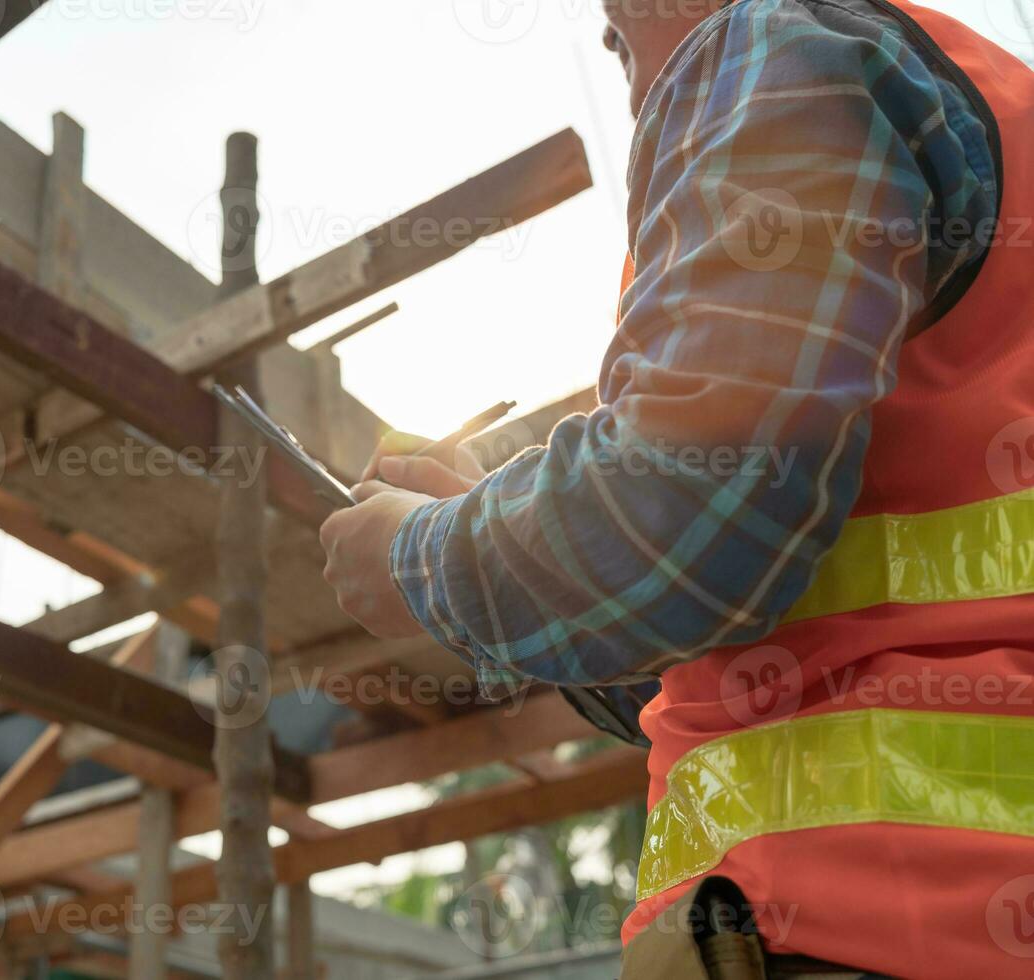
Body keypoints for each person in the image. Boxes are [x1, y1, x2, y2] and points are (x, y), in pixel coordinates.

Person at [318, 1, 1034, 977]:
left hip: (864, 922)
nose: (638, 81)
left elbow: (683, 528)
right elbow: (726, 616)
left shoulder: (773, 49)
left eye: (620, 35)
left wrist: (422, 555)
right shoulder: (983, 105)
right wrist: (498, 542)